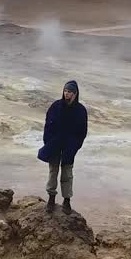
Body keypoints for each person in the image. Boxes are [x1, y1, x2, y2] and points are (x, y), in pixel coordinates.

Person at [37, 80, 88, 214]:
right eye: (65, 91)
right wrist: (48, 142)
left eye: (70, 91)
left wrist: (75, 146)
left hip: (69, 147)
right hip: (54, 144)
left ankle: (67, 201)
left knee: (67, 174)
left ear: (75, 93)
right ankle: (51, 199)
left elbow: (82, 132)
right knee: (53, 171)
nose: (67, 94)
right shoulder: (56, 106)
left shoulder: (81, 110)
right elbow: (47, 126)